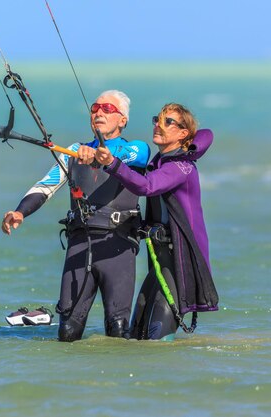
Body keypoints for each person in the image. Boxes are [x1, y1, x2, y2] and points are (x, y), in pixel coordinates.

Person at [1, 90, 150, 342]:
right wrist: (20, 211)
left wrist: (102, 156)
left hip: (117, 247)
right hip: (80, 246)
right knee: (68, 330)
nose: (99, 112)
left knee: (118, 328)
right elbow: (45, 187)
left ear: (122, 120)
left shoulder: (135, 148)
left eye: (108, 109)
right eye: (95, 108)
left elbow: (128, 158)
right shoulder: (72, 152)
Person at [94, 103, 219, 340]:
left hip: (178, 260)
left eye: (168, 121)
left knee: (156, 340)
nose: (158, 125)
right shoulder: (159, 163)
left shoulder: (180, 167)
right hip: (159, 259)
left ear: (183, 134)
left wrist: (112, 164)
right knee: (136, 334)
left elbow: (147, 186)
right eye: (157, 119)